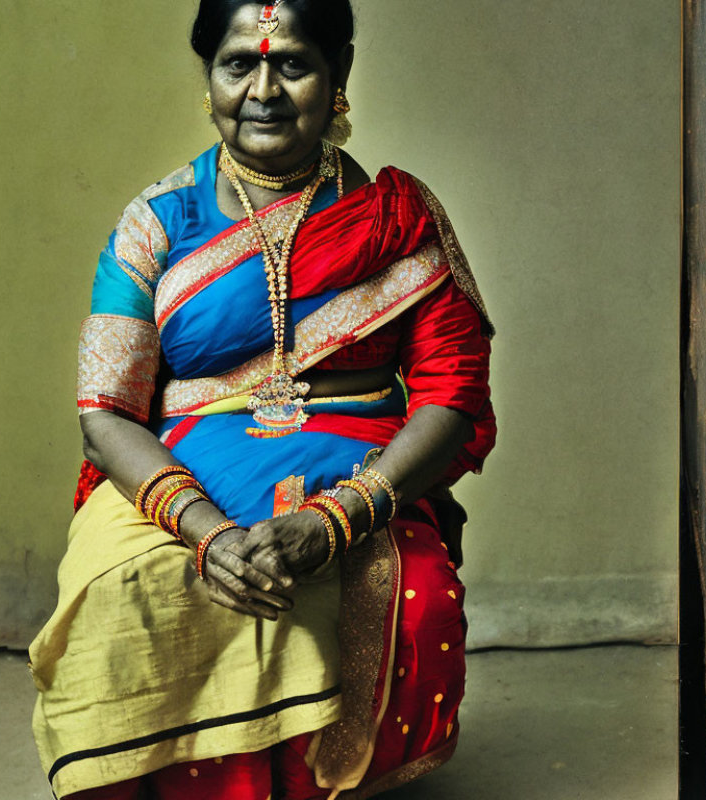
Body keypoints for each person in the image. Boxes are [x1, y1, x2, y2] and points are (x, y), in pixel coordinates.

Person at [29, 1, 495, 797]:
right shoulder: (156, 225)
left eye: (294, 64)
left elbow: (452, 395)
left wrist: (337, 519)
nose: (265, 90)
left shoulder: (397, 217)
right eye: (239, 63)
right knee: (118, 591)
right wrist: (207, 534)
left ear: (339, 72)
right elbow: (105, 414)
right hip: (182, 479)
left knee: (411, 602)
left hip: (362, 475)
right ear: (208, 76)